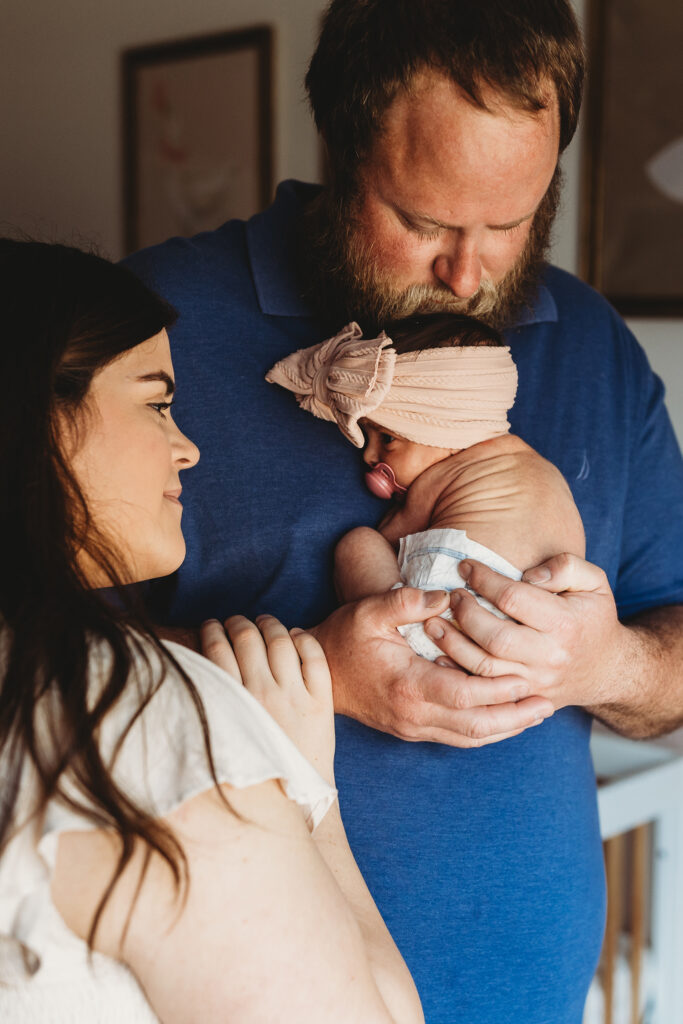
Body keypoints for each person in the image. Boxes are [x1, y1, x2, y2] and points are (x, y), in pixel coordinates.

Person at [124, 2, 683, 1021]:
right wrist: (314, 678)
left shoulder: (590, 345)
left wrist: (603, 664)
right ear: (336, 144)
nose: (467, 275)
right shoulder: (144, 330)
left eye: (510, 223)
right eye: (423, 222)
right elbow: (23, 665)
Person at [0, 238, 426, 1023]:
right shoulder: (143, 719)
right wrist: (310, 788)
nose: (186, 447)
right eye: (155, 403)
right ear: (38, 418)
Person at [266, 313, 586, 660]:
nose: (369, 455)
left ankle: (382, 638)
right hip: (532, 636)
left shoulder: (443, 476)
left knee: (358, 544)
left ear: (447, 433)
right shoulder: (533, 467)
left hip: (443, 622)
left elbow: (393, 535)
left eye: (387, 438)